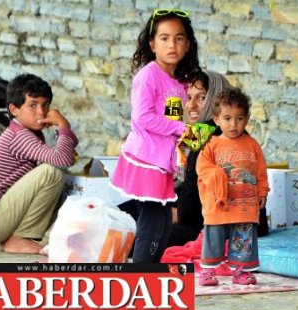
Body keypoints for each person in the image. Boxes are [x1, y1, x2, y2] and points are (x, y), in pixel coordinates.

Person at [109, 8, 201, 263]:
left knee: (163, 222)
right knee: (151, 221)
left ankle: (151, 272)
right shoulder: (149, 75)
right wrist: (182, 129)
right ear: (152, 44)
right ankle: (141, 274)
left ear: (187, 44)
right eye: (164, 38)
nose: (172, 44)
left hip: (162, 164)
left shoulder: (176, 82)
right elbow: (143, 118)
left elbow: (170, 120)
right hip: (145, 161)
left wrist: (189, 133)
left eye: (179, 38)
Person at [0, 73, 78, 254]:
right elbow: (62, 160)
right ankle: (20, 238)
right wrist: (63, 126)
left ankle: (14, 238)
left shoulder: (25, 132)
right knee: (51, 173)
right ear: (14, 110)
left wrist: (64, 132)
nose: (41, 112)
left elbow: (66, 154)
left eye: (46, 105)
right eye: (33, 105)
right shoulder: (20, 136)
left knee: (62, 185)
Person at [196, 87, 269, 286]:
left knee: (244, 239)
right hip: (219, 206)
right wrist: (217, 175)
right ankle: (207, 271)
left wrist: (262, 191)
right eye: (227, 118)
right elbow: (202, 169)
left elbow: (260, 171)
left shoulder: (252, 144)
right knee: (213, 239)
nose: (233, 124)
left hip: (244, 206)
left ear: (246, 119)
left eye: (239, 118)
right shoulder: (212, 145)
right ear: (216, 119)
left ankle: (241, 271)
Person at [167, 70, 230, 247]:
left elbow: (187, 213)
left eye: (201, 98)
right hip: (202, 219)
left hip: (211, 227)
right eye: (188, 97)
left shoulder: (207, 136)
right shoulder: (198, 133)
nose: (191, 105)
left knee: (137, 231)